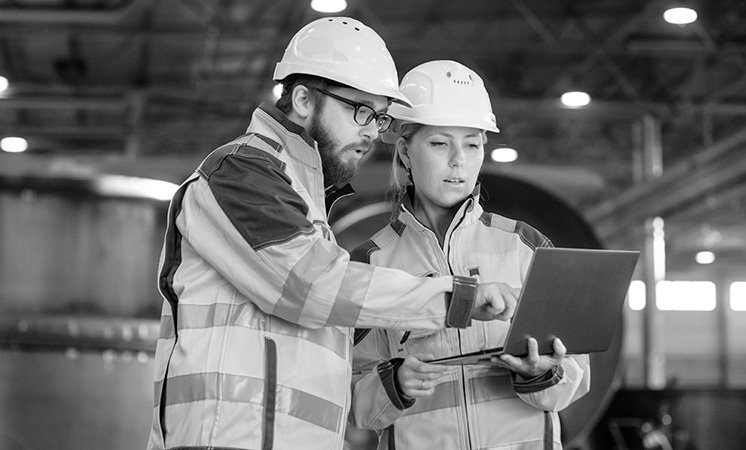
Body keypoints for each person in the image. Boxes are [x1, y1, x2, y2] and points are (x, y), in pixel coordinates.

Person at [145, 18, 520, 450]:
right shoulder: (241, 173)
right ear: (303, 99)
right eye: (359, 110)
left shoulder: (304, 200)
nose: (372, 132)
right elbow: (313, 285)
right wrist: (455, 297)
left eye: (379, 117)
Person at [349, 60, 591, 450]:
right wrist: (393, 383)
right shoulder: (371, 263)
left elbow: (574, 380)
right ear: (406, 153)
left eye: (473, 144)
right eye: (440, 143)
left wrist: (540, 373)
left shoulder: (526, 246)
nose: (459, 160)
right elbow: (351, 399)